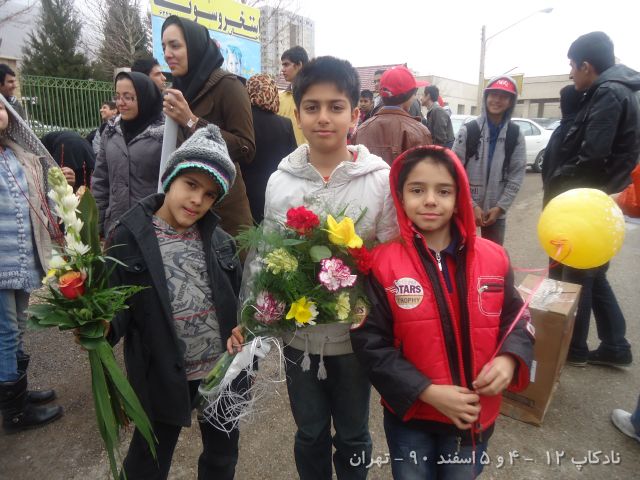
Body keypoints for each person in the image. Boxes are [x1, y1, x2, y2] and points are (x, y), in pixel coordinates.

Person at [229, 56, 399, 480]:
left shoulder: (379, 180)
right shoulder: (281, 180)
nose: (324, 117)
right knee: (309, 432)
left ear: (355, 114)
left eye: (336, 107)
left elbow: (391, 257)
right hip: (299, 337)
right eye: (312, 106)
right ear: (297, 113)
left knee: (354, 434)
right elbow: (266, 254)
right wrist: (251, 314)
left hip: (356, 338)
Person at [350, 145, 534, 479]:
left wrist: (509, 358)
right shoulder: (381, 264)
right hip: (412, 417)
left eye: (444, 191)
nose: (431, 200)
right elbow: (369, 342)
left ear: (459, 196)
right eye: (417, 190)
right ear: (400, 196)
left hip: (473, 415)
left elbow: (517, 318)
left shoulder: (494, 258)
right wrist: (426, 390)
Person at [107, 124, 242, 479]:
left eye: (210, 194)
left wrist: (244, 329)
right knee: (148, 459)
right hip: (162, 374)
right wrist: (99, 326)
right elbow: (115, 305)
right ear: (170, 179)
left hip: (220, 373)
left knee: (222, 456)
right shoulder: (130, 237)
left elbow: (239, 302)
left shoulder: (221, 241)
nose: (197, 200)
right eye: (191, 184)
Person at [558, 31, 640, 367]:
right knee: (594, 272)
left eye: (572, 66)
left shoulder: (607, 93)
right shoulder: (624, 90)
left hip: (594, 199)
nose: (571, 74)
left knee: (579, 273)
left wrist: (567, 188)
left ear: (586, 66)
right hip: (607, 197)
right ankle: (615, 345)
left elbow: (593, 155)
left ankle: (575, 349)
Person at [0, 94, 65, 433]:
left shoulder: (18, 155)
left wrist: (60, 181)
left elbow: (39, 196)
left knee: (18, 328)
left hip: (23, 260)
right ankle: (14, 413)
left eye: (0, 107)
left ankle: (16, 392)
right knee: (6, 332)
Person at [161, 15, 256, 239]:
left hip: (224, 216)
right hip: (183, 215)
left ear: (195, 47)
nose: (167, 54)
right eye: (164, 47)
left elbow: (247, 148)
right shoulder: (179, 90)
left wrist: (191, 121)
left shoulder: (228, 86)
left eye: (175, 45)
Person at [452, 76, 526, 246]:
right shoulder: (468, 130)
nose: (497, 100)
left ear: (511, 101)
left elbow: (516, 174)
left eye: (503, 96)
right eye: (493, 94)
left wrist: (500, 207)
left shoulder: (515, 135)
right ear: (486, 97)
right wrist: (471, 205)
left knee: (494, 254)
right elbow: (453, 170)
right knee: (461, 251)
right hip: (465, 207)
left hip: (496, 211)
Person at [91, 71, 164, 236]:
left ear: (145, 98)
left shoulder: (164, 135)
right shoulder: (110, 131)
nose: (120, 103)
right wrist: (97, 226)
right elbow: (101, 180)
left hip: (152, 228)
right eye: (117, 96)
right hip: (115, 226)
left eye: (128, 97)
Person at [241, 73, 297, 223]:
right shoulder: (285, 124)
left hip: (244, 191)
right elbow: (292, 159)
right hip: (275, 189)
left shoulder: (241, 121)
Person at [353, 65, 432, 166]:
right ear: (408, 96)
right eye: (414, 93)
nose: (415, 98)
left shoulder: (361, 130)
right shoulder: (419, 131)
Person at [541, 85, 584, 209]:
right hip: (559, 190)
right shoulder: (571, 126)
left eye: (561, 101)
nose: (560, 106)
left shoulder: (571, 129)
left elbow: (553, 162)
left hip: (560, 193)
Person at [279, 45, 309, 146]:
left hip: (311, 154)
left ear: (299, 65)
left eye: (286, 65)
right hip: (286, 154)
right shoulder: (280, 98)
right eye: (282, 65)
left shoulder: (317, 96)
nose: (282, 70)